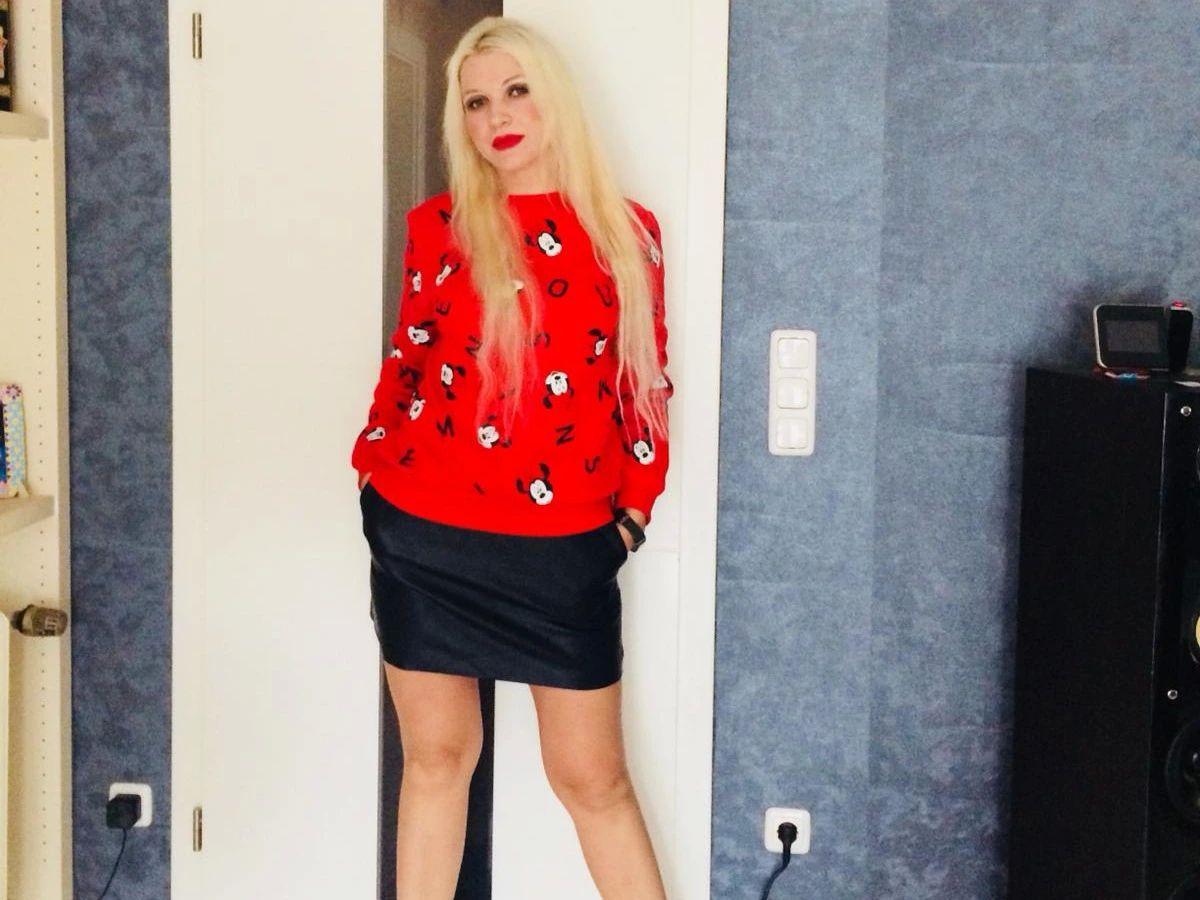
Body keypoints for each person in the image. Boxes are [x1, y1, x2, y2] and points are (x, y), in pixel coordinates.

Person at [351, 14, 673, 899]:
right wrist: (373, 469)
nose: (497, 115)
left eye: (516, 91)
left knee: (594, 783)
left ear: (552, 98)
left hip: (560, 553)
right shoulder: (441, 225)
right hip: (426, 537)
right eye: (476, 101)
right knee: (436, 762)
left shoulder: (627, 232)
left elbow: (644, 385)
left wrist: (633, 514)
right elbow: (409, 356)